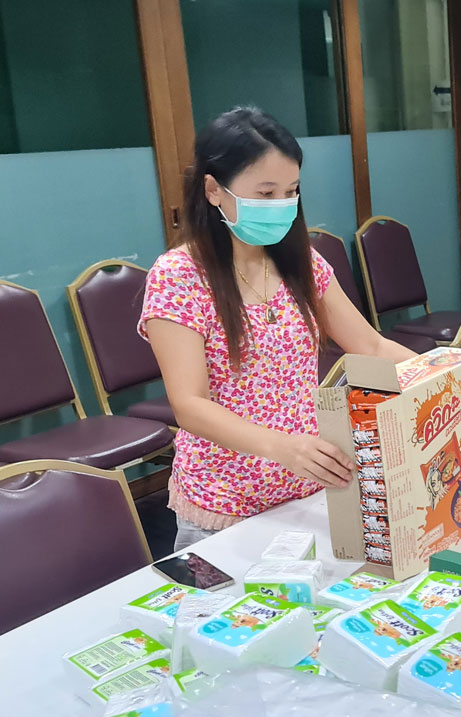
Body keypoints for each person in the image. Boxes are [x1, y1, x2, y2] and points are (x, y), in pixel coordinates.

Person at [139, 107, 418, 550]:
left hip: (308, 490)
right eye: (265, 193)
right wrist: (283, 447)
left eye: (291, 192)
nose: (281, 206)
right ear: (213, 190)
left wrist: (447, 373)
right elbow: (189, 405)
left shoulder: (300, 261)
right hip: (226, 503)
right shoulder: (179, 277)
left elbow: (371, 345)